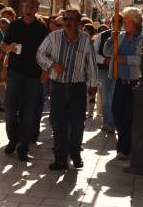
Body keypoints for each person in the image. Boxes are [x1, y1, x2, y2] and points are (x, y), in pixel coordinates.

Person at [37, 9, 98, 170]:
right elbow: (40, 54)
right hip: (58, 87)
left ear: (78, 22)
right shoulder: (54, 37)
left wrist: (93, 84)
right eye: (65, 19)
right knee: (59, 123)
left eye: (71, 19)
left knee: (78, 123)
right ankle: (60, 158)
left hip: (78, 87)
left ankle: (75, 154)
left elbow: (91, 62)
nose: (67, 22)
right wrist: (51, 65)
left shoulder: (85, 39)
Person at [1, 0, 49, 161]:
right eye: (26, 6)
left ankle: (24, 145)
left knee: (29, 112)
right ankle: (13, 138)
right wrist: (8, 48)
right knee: (10, 108)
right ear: (23, 8)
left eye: (32, 6)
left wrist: (45, 70)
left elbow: (46, 52)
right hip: (15, 72)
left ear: (36, 9)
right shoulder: (15, 25)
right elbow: (3, 45)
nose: (28, 9)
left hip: (34, 75)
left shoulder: (42, 29)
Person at [103, 7, 143, 160]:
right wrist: (111, 38)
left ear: (136, 22)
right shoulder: (120, 36)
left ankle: (124, 148)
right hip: (119, 81)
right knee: (116, 111)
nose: (124, 24)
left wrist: (125, 59)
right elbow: (107, 52)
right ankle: (124, 144)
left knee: (128, 116)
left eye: (127, 21)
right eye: (123, 21)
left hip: (135, 83)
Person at [93, 14, 123, 133]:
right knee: (106, 97)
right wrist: (104, 60)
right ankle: (107, 122)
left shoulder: (125, 36)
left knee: (113, 97)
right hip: (103, 70)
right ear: (111, 22)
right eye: (114, 21)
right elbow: (93, 53)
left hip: (119, 71)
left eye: (119, 21)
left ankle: (112, 122)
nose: (117, 23)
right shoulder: (102, 35)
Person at [83, 24, 98, 118]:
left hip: (91, 70)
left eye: (87, 30)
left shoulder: (94, 41)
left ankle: (91, 111)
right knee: (84, 93)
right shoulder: (81, 40)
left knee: (91, 93)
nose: (85, 31)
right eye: (84, 29)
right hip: (83, 71)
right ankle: (84, 110)